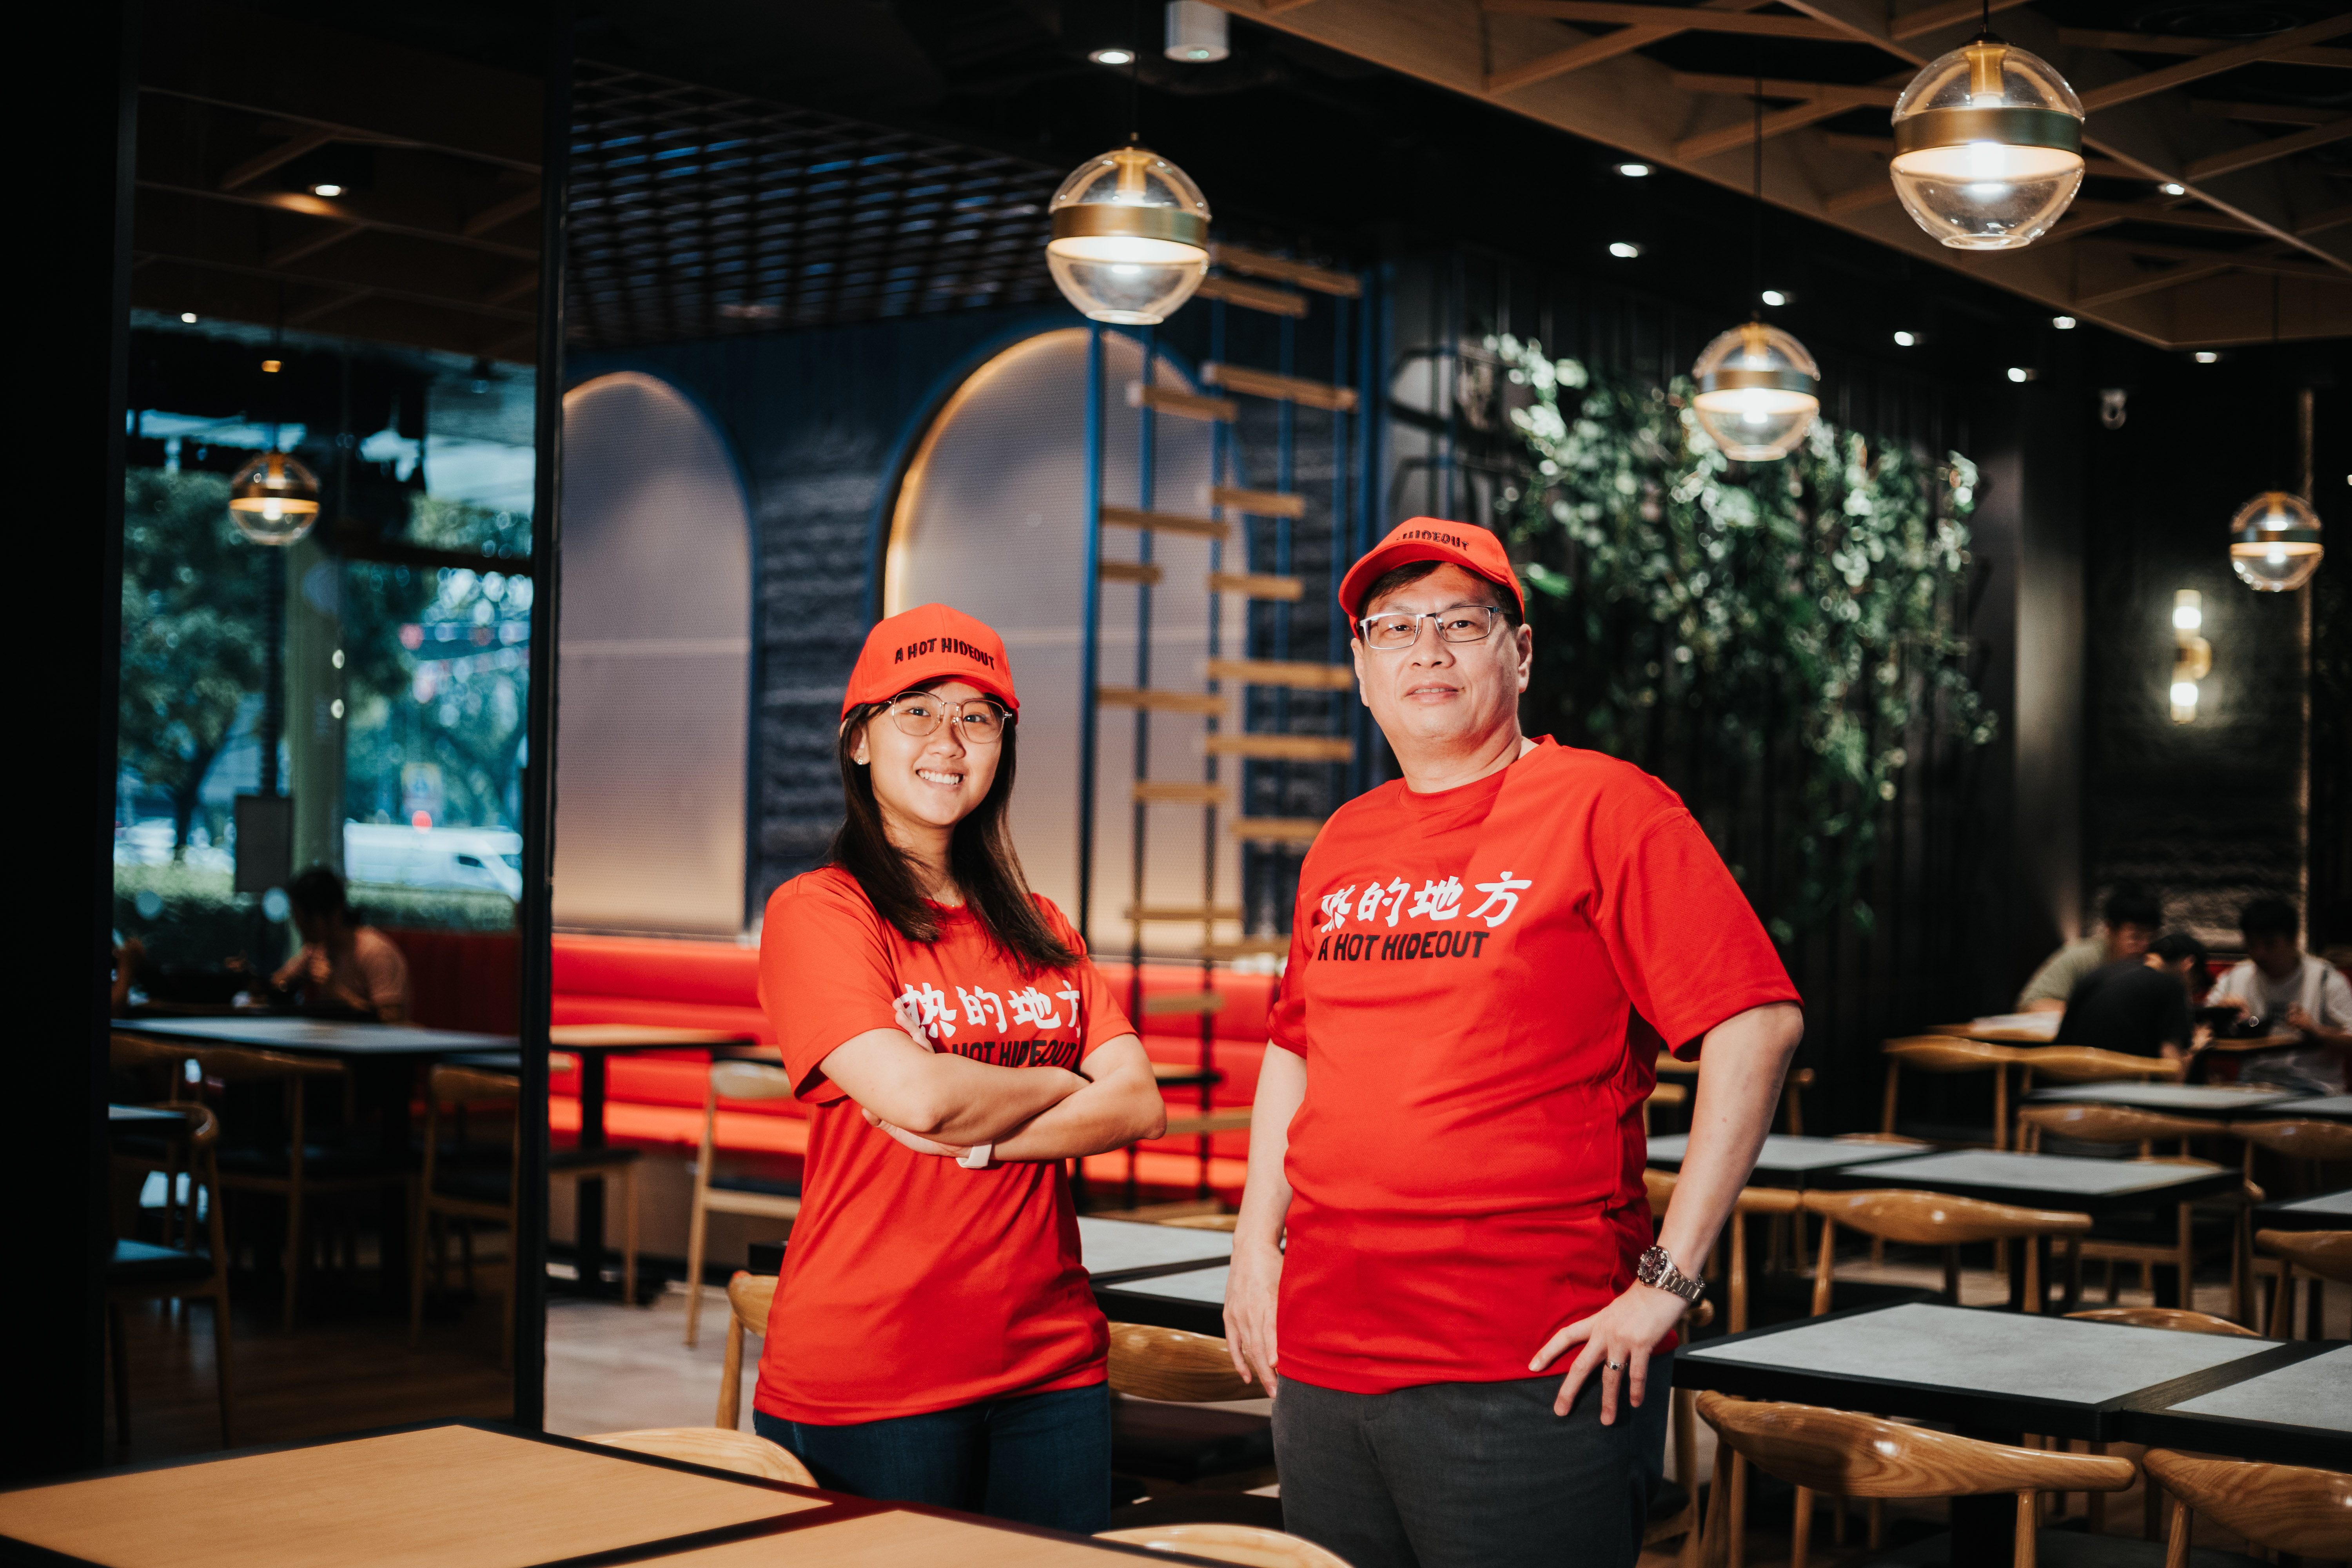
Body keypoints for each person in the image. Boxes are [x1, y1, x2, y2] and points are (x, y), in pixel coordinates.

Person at [1221, 519, 1804, 1568]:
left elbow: (1755, 1022)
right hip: (1324, 1354)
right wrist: (1253, 1249)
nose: (1427, 651)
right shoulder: (1344, 840)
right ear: (1362, 669)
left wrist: (1669, 1284)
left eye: (1461, 622)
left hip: (1528, 1362)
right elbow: (1296, 1049)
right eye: (1393, 628)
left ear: (1520, 654)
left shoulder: (1607, 807)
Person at [750, 603, 1165, 1534]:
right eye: (919, 711)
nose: (951, 740)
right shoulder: (821, 912)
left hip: (1052, 1362)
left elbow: (1137, 1104)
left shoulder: (1044, 925)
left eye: (979, 717)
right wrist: (1066, 1085)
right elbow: (917, 1096)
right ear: (858, 740)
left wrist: (979, 1133)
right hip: (876, 1369)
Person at [2209, 897, 2352, 1093]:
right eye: (2252, 945)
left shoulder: (2326, 979)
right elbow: (2200, 1028)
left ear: (2293, 940)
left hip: (2314, 1086)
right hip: (2252, 1083)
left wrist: (2315, 1030)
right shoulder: (2235, 978)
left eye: (2270, 944)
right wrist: (2220, 1015)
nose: (2260, 954)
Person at [270, 866, 411, 1022]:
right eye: (296, 918)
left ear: (335, 914)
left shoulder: (375, 951)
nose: (300, 926)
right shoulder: (317, 949)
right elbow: (278, 980)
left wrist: (337, 992)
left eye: (308, 919)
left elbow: (393, 1020)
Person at [2054, 932, 2209, 1063]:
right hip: (2123, 1090)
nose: (2191, 992)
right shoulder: (2172, 986)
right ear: (2189, 964)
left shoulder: (2097, 974)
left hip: (2064, 1088)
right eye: (2195, 985)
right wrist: (2197, 1045)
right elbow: (2174, 1076)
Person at [2014, 887, 2162, 1013]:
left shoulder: (2157, 965)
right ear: (2110, 930)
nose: (2144, 946)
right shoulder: (2081, 957)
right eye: (2135, 937)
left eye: (2151, 938)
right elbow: (2029, 1005)